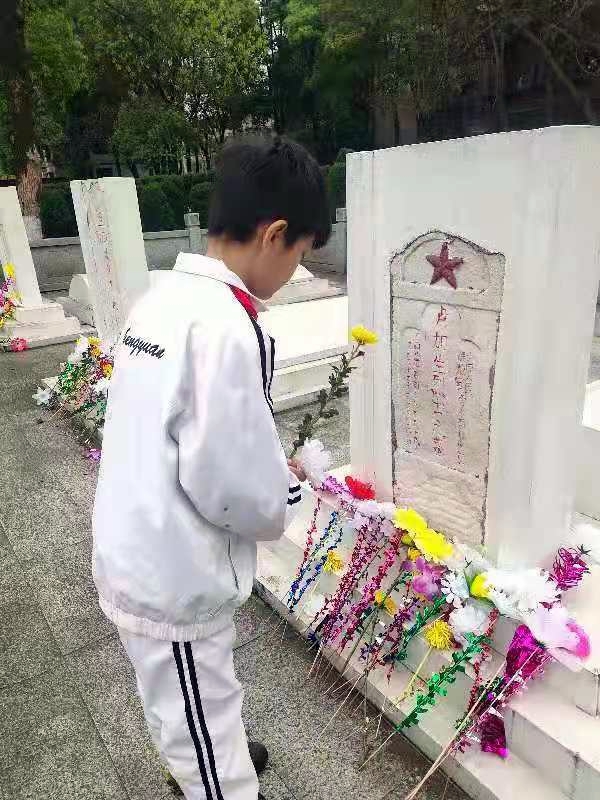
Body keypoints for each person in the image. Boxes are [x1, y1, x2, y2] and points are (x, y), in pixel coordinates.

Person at [92, 137, 332, 800]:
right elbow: (230, 484)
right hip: (173, 569)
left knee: (181, 694)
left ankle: (199, 754)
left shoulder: (162, 298)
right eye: (301, 253)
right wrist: (289, 487)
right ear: (275, 235)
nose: (295, 270)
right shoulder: (227, 326)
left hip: (136, 539)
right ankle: (212, 775)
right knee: (196, 708)